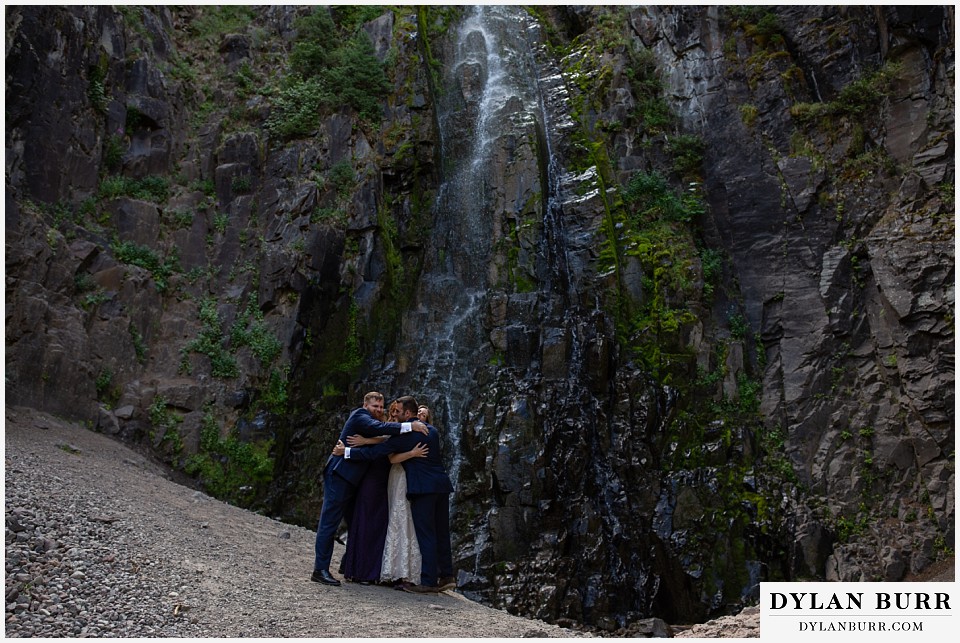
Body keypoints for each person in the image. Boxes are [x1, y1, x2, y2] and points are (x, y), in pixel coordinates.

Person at [339, 396, 455, 593]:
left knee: (426, 533)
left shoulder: (404, 436)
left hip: (422, 489)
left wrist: (347, 452)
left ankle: (428, 581)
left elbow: (376, 453)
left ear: (407, 413)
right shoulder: (432, 431)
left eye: (398, 412)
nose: (395, 415)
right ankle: (446, 575)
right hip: (442, 486)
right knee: (441, 531)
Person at [311, 392, 428, 586]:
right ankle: (319, 569)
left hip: (354, 481)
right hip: (341, 475)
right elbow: (378, 429)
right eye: (375, 406)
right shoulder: (359, 416)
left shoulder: (373, 423)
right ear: (366, 405)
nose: (379, 410)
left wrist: (354, 447)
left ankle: (349, 563)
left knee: (355, 523)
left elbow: (381, 440)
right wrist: (410, 425)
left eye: (381, 407)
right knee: (329, 523)